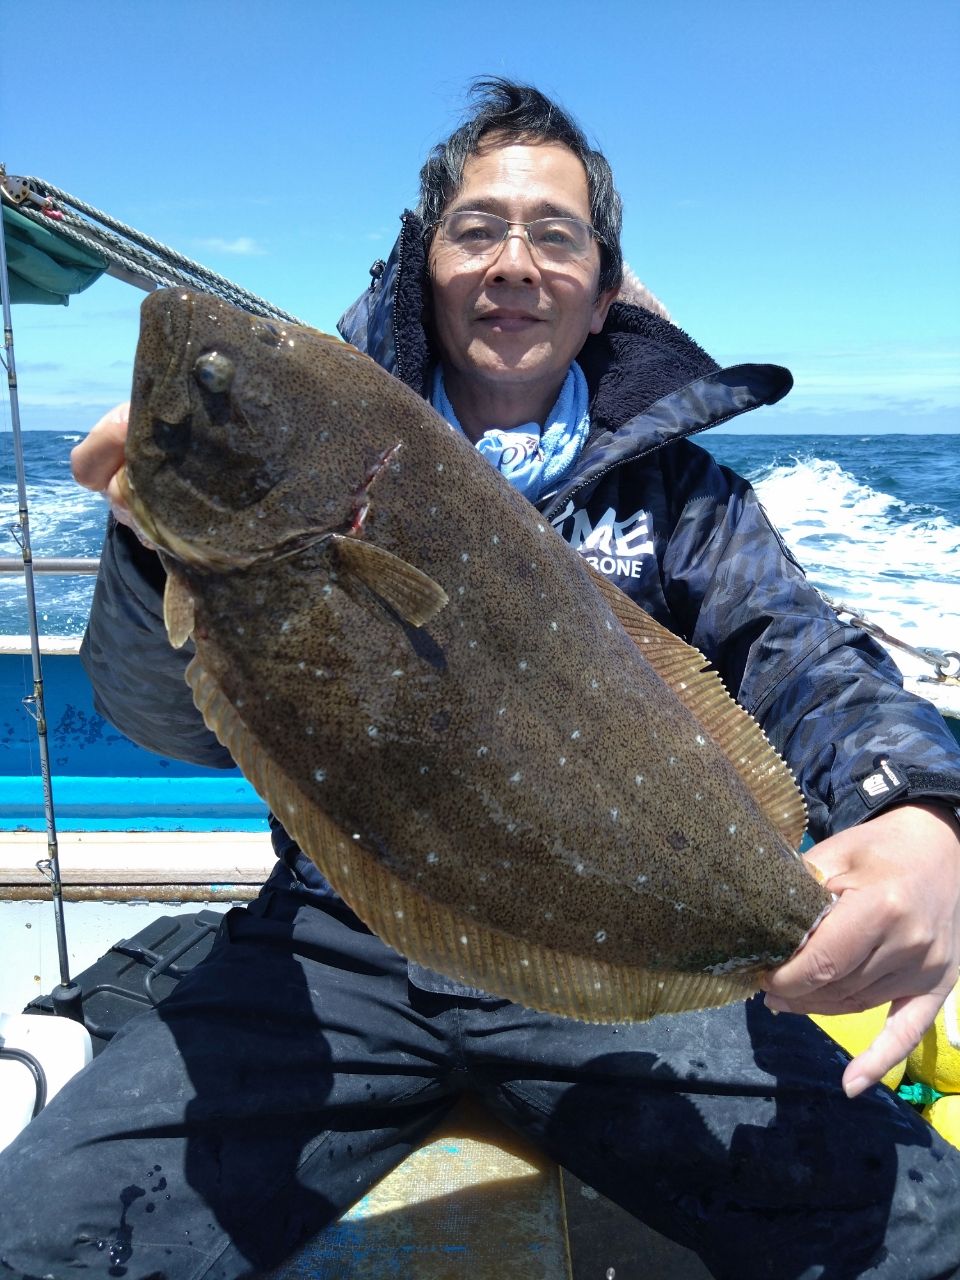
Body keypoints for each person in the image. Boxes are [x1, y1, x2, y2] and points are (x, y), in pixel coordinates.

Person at [2, 78, 959, 1280]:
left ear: (605, 287)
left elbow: (808, 660)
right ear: (425, 265)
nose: (515, 261)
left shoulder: (686, 501)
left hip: (615, 950)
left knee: (926, 1237)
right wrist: (157, 548)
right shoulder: (333, 429)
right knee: (36, 1240)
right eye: (477, 229)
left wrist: (921, 813)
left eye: (555, 234)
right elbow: (170, 722)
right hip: (331, 940)